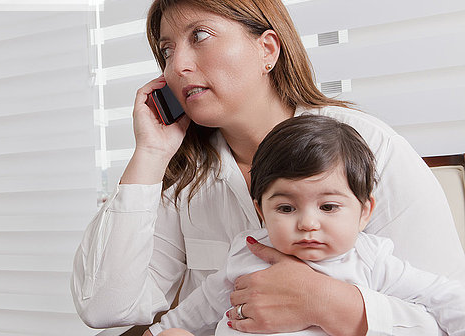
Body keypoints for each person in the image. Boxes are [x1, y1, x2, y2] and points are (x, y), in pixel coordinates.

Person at [71, 0, 465, 335]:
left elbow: (448, 317)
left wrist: (327, 304)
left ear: (268, 49)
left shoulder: (369, 147)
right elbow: (106, 309)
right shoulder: (184, 175)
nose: (178, 66)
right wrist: (150, 155)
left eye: (200, 36)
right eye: (167, 51)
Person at [147, 115, 465, 336]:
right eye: (286, 208)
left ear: (364, 211)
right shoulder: (246, 255)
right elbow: (197, 311)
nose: (308, 223)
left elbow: (443, 297)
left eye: (328, 206)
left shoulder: (370, 260)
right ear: (261, 211)